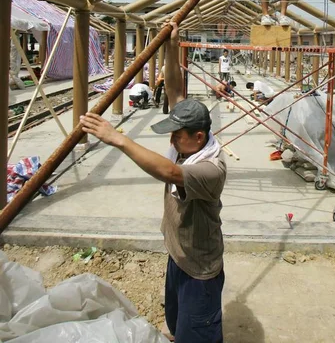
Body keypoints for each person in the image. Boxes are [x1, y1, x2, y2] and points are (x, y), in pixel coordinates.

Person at [80, 22, 226, 343]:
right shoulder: (193, 135)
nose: (172, 139)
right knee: (176, 320)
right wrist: (172, 47)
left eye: (177, 134)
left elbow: (169, 173)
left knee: (198, 333)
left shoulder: (211, 168)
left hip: (199, 267)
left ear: (198, 136)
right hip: (178, 253)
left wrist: (116, 138)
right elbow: (174, 91)